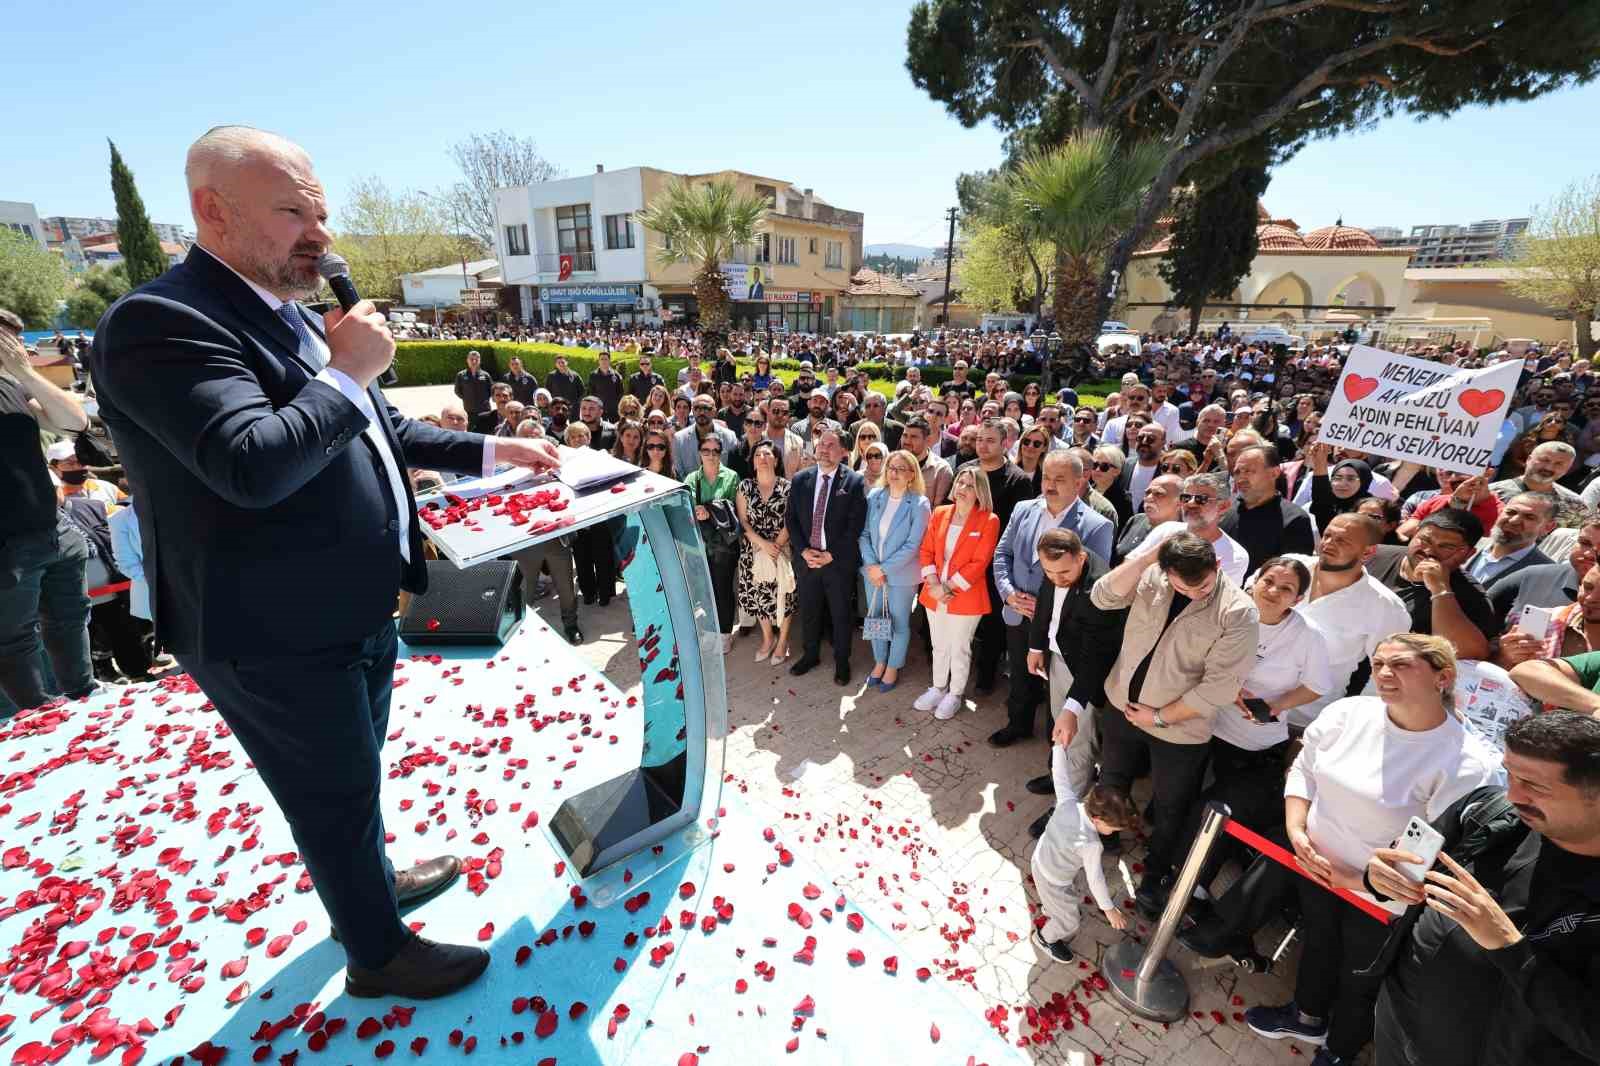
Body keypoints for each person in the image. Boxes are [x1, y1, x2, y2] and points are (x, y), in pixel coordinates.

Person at [87, 126, 562, 999]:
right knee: (331, 791)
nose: (320, 234)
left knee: (353, 773)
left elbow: (380, 432)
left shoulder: (292, 315)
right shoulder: (158, 324)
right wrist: (346, 372)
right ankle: (378, 954)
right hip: (271, 628)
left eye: (321, 212)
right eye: (292, 212)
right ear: (213, 213)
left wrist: (494, 451)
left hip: (350, 609)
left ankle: (368, 884)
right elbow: (255, 461)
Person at [1243, 634, 1503, 1066]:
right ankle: (1306, 1018)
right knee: (1319, 945)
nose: (1384, 673)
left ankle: (1341, 1051)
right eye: (1379, 662)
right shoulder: (1349, 712)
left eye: (1401, 665)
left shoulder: (1466, 764)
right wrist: (1296, 830)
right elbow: (1305, 767)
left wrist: (1352, 878)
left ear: (1444, 677)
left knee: (1359, 977)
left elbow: (1427, 856)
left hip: (1381, 903)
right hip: (1316, 865)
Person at [1366, 711, 1600, 1066]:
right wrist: (1380, 875)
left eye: (1534, 786)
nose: (1513, 794)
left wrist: (1509, 946)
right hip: (1397, 1024)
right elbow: (1406, 863)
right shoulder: (1491, 809)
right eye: (1510, 774)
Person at [1091, 532, 1259, 916]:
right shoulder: (1152, 575)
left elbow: (1218, 689)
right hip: (1121, 705)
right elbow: (1103, 596)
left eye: (1205, 582)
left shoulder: (1238, 612)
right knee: (1112, 780)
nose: (1199, 591)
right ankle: (1102, 838)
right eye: (1186, 584)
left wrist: (1160, 716)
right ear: (1167, 573)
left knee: (1170, 806)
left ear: (1217, 566)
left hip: (1180, 731)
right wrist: (1149, 556)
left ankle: (1155, 874)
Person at [0, 309, 94, 715]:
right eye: (7, 339)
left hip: (53, 529)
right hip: (8, 542)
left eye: (16, 340)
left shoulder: (14, 385)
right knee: (15, 639)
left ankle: (84, 696)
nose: (14, 347)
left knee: (71, 617)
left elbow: (75, 422)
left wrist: (24, 372)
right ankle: (38, 718)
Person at [991, 452, 1115, 748]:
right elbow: (1002, 555)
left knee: (1057, 690)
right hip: (1019, 614)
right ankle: (1018, 724)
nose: (1050, 484)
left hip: (1064, 626)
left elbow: (1093, 585)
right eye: (1047, 477)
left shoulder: (1097, 525)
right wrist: (1009, 594)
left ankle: (1056, 752)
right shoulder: (1023, 509)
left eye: (1060, 479)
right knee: (1020, 675)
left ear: (1079, 481)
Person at [1024, 528, 1129, 838]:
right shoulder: (1057, 564)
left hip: (1085, 671)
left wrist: (1074, 704)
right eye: (1049, 571)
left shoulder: (1101, 588)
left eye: (1065, 572)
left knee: (1079, 740)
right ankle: (1062, 778)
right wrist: (1035, 645)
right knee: (1060, 726)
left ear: (1081, 557)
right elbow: (1045, 602)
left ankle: (1065, 808)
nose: (1057, 578)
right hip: (1059, 658)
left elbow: (1097, 655)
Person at [914, 466, 1001, 719]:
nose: (962, 489)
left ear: (980, 491)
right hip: (934, 592)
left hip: (965, 596)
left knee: (960, 648)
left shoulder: (989, 520)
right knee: (938, 644)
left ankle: (955, 693)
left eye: (970, 485)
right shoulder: (940, 513)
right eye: (960, 483)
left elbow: (979, 562)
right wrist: (933, 584)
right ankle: (938, 687)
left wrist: (948, 587)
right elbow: (926, 550)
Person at [785, 428, 868, 686]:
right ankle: (811, 655)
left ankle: (842, 662)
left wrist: (831, 555)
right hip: (807, 561)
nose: (823, 449)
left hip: (837, 564)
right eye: (821, 444)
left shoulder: (853, 482)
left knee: (840, 614)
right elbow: (792, 520)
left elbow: (855, 526)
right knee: (809, 611)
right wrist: (803, 551)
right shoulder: (800, 480)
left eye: (831, 445)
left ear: (843, 451)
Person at [965, 417, 1039, 694]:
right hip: (964, 559)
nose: (982, 446)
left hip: (994, 564)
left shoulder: (1017, 480)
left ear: (1005, 443)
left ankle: (986, 677)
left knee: (993, 624)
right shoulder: (966, 470)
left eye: (990, 441)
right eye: (979, 439)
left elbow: (1017, 529)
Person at [1366, 507, 1499, 661]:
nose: (1429, 551)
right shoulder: (1373, 556)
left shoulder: (1473, 598)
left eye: (1447, 547)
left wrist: (1441, 591)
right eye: (1424, 540)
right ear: (1415, 533)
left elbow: (1469, 655)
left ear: (1469, 554)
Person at [1030, 784, 1140, 964]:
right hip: (1054, 880)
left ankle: (1051, 908)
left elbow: (1060, 777)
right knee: (1069, 922)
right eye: (1112, 829)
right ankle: (1044, 938)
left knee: (1068, 896)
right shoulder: (1092, 845)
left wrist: (1059, 753)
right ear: (1097, 820)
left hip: (1041, 860)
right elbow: (1095, 879)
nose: (1112, 833)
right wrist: (1109, 909)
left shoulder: (1069, 802)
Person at [859, 451, 931, 693]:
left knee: (899, 623)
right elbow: (865, 534)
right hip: (872, 574)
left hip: (901, 576)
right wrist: (872, 566)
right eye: (891, 467)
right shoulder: (876, 495)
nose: (895, 472)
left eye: (901, 468)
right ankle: (879, 662)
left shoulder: (919, 503)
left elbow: (913, 545)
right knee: (875, 619)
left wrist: (884, 569)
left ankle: (893, 665)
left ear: (912, 474)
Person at [736, 440, 796, 666]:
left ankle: (782, 642)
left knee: (784, 595)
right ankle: (768, 638)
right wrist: (762, 544)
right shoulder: (744, 487)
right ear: (752, 462)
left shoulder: (788, 487)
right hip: (753, 549)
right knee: (758, 595)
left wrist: (776, 547)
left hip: (782, 550)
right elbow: (742, 520)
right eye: (758, 454)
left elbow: (791, 520)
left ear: (776, 460)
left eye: (767, 454)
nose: (762, 457)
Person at [1134, 472, 1250, 585]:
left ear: (1223, 506)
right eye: (1186, 497)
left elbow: (1211, 600)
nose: (1191, 503)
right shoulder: (1165, 530)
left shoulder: (1235, 556)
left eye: (1201, 499)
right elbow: (1129, 569)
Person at [1222, 444, 1316, 578]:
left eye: (1248, 471)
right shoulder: (1226, 510)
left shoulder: (1295, 520)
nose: (1241, 478)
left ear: (1274, 473)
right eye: (1237, 472)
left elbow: (1292, 576)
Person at [685, 432, 740, 650]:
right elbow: (686, 506)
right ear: (699, 453)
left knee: (723, 588)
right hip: (699, 543)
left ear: (721, 453)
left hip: (724, 544)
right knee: (704, 589)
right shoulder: (691, 479)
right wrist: (697, 510)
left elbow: (734, 507)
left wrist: (709, 509)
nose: (710, 455)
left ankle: (725, 633)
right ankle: (709, 630)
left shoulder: (731, 477)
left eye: (715, 451)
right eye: (705, 450)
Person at [1466, 492, 1558, 587]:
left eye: (1529, 517)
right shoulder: (1466, 544)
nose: (1514, 521)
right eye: (1511, 512)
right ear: (1500, 512)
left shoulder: (1546, 573)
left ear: (1548, 527)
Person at [1492, 441, 1586, 527]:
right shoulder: (1493, 493)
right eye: (1545, 460)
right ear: (1528, 460)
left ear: (1567, 469)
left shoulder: (1576, 506)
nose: (1549, 468)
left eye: (1559, 464)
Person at [1114, 473, 1181, 563]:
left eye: (1159, 494)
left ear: (1179, 502)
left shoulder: (1184, 534)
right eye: (1147, 492)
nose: (1149, 498)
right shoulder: (1136, 520)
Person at [671, 394, 737, 478]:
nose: (701, 412)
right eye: (697, 408)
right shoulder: (679, 439)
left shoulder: (729, 437)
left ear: (714, 411)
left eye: (706, 408)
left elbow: (733, 471)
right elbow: (679, 473)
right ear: (692, 411)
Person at [902, 416, 952, 508]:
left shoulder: (941, 470)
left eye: (914, 437)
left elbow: (938, 510)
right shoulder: (893, 464)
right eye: (905, 436)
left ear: (928, 440)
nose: (907, 441)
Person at [453, 349, 493, 423]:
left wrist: (484, 399)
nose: (474, 361)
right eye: (471, 359)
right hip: (469, 409)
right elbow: (457, 391)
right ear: (467, 360)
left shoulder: (485, 375)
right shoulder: (461, 375)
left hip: (484, 409)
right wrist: (467, 398)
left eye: (476, 359)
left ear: (479, 361)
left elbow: (491, 390)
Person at [587, 349, 623, 420]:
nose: (603, 361)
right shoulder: (593, 375)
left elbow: (620, 392)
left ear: (609, 361)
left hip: (613, 410)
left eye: (606, 359)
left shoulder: (616, 375)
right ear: (598, 361)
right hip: (599, 409)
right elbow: (591, 393)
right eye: (601, 359)